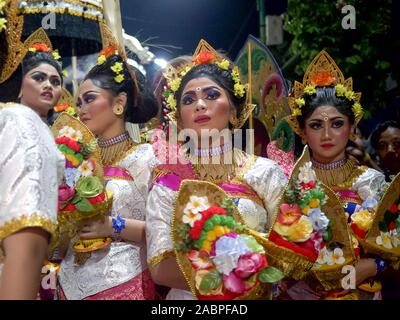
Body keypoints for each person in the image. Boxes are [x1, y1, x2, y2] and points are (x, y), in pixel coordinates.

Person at [145, 40, 287, 300]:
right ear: (180, 118)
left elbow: (290, 251)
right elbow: (160, 266)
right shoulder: (168, 180)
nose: (200, 104)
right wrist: (235, 281)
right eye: (189, 99)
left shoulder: (266, 172)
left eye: (211, 95)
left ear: (234, 111)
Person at [56, 44, 160, 300]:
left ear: (119, 102)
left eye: (90, 98)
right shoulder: (76, 160)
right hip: (67, 285)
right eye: (79, 102)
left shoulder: (149, 156)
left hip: (126, 284)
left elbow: (168, 231)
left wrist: (114, 225)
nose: (81, 109)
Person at [284, 50, 388, 300]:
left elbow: (392, 243)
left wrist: (373, 266)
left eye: (337, 123)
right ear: (302, 131)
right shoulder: (290, 183)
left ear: (352, 128)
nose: (327, 134)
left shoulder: (370, 181)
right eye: (316, 125)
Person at [0, 7, 64, 299]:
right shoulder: (19, 119)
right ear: (19, 84)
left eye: (55, 80)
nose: (48, 85)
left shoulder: (38, 128)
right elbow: (27, 220)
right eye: (38, 77)